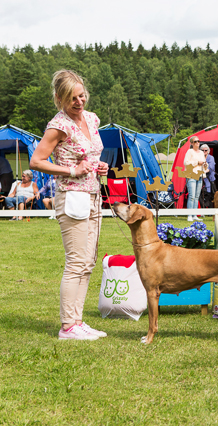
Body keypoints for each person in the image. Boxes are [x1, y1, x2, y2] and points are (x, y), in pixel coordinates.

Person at [30, 69, 110, 341]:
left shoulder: (91, 118)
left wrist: (99, 166)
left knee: (88, 262)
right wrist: (72, 170)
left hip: (94, 195)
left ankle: (78, 320)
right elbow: (37, 161)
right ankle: (67, 326)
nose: (79, 101)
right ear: (59, 99)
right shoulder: (59, 125)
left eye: (81, 95)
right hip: (72, 197)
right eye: (72, 98)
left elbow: (90, 154)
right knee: (76, 261)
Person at [183, 136, 205, 221]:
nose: (198, 143)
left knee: (197, 196)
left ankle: (194, 215)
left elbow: (202, 163)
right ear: (192, 143)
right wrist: (197, 162)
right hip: (191, 175)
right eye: (195, 141)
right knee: (191, 196)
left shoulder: (201, 153)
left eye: (198, 141)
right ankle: (189, 215)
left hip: (199, 175)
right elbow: (186, 163)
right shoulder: (190, 151)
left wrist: (204, 165)